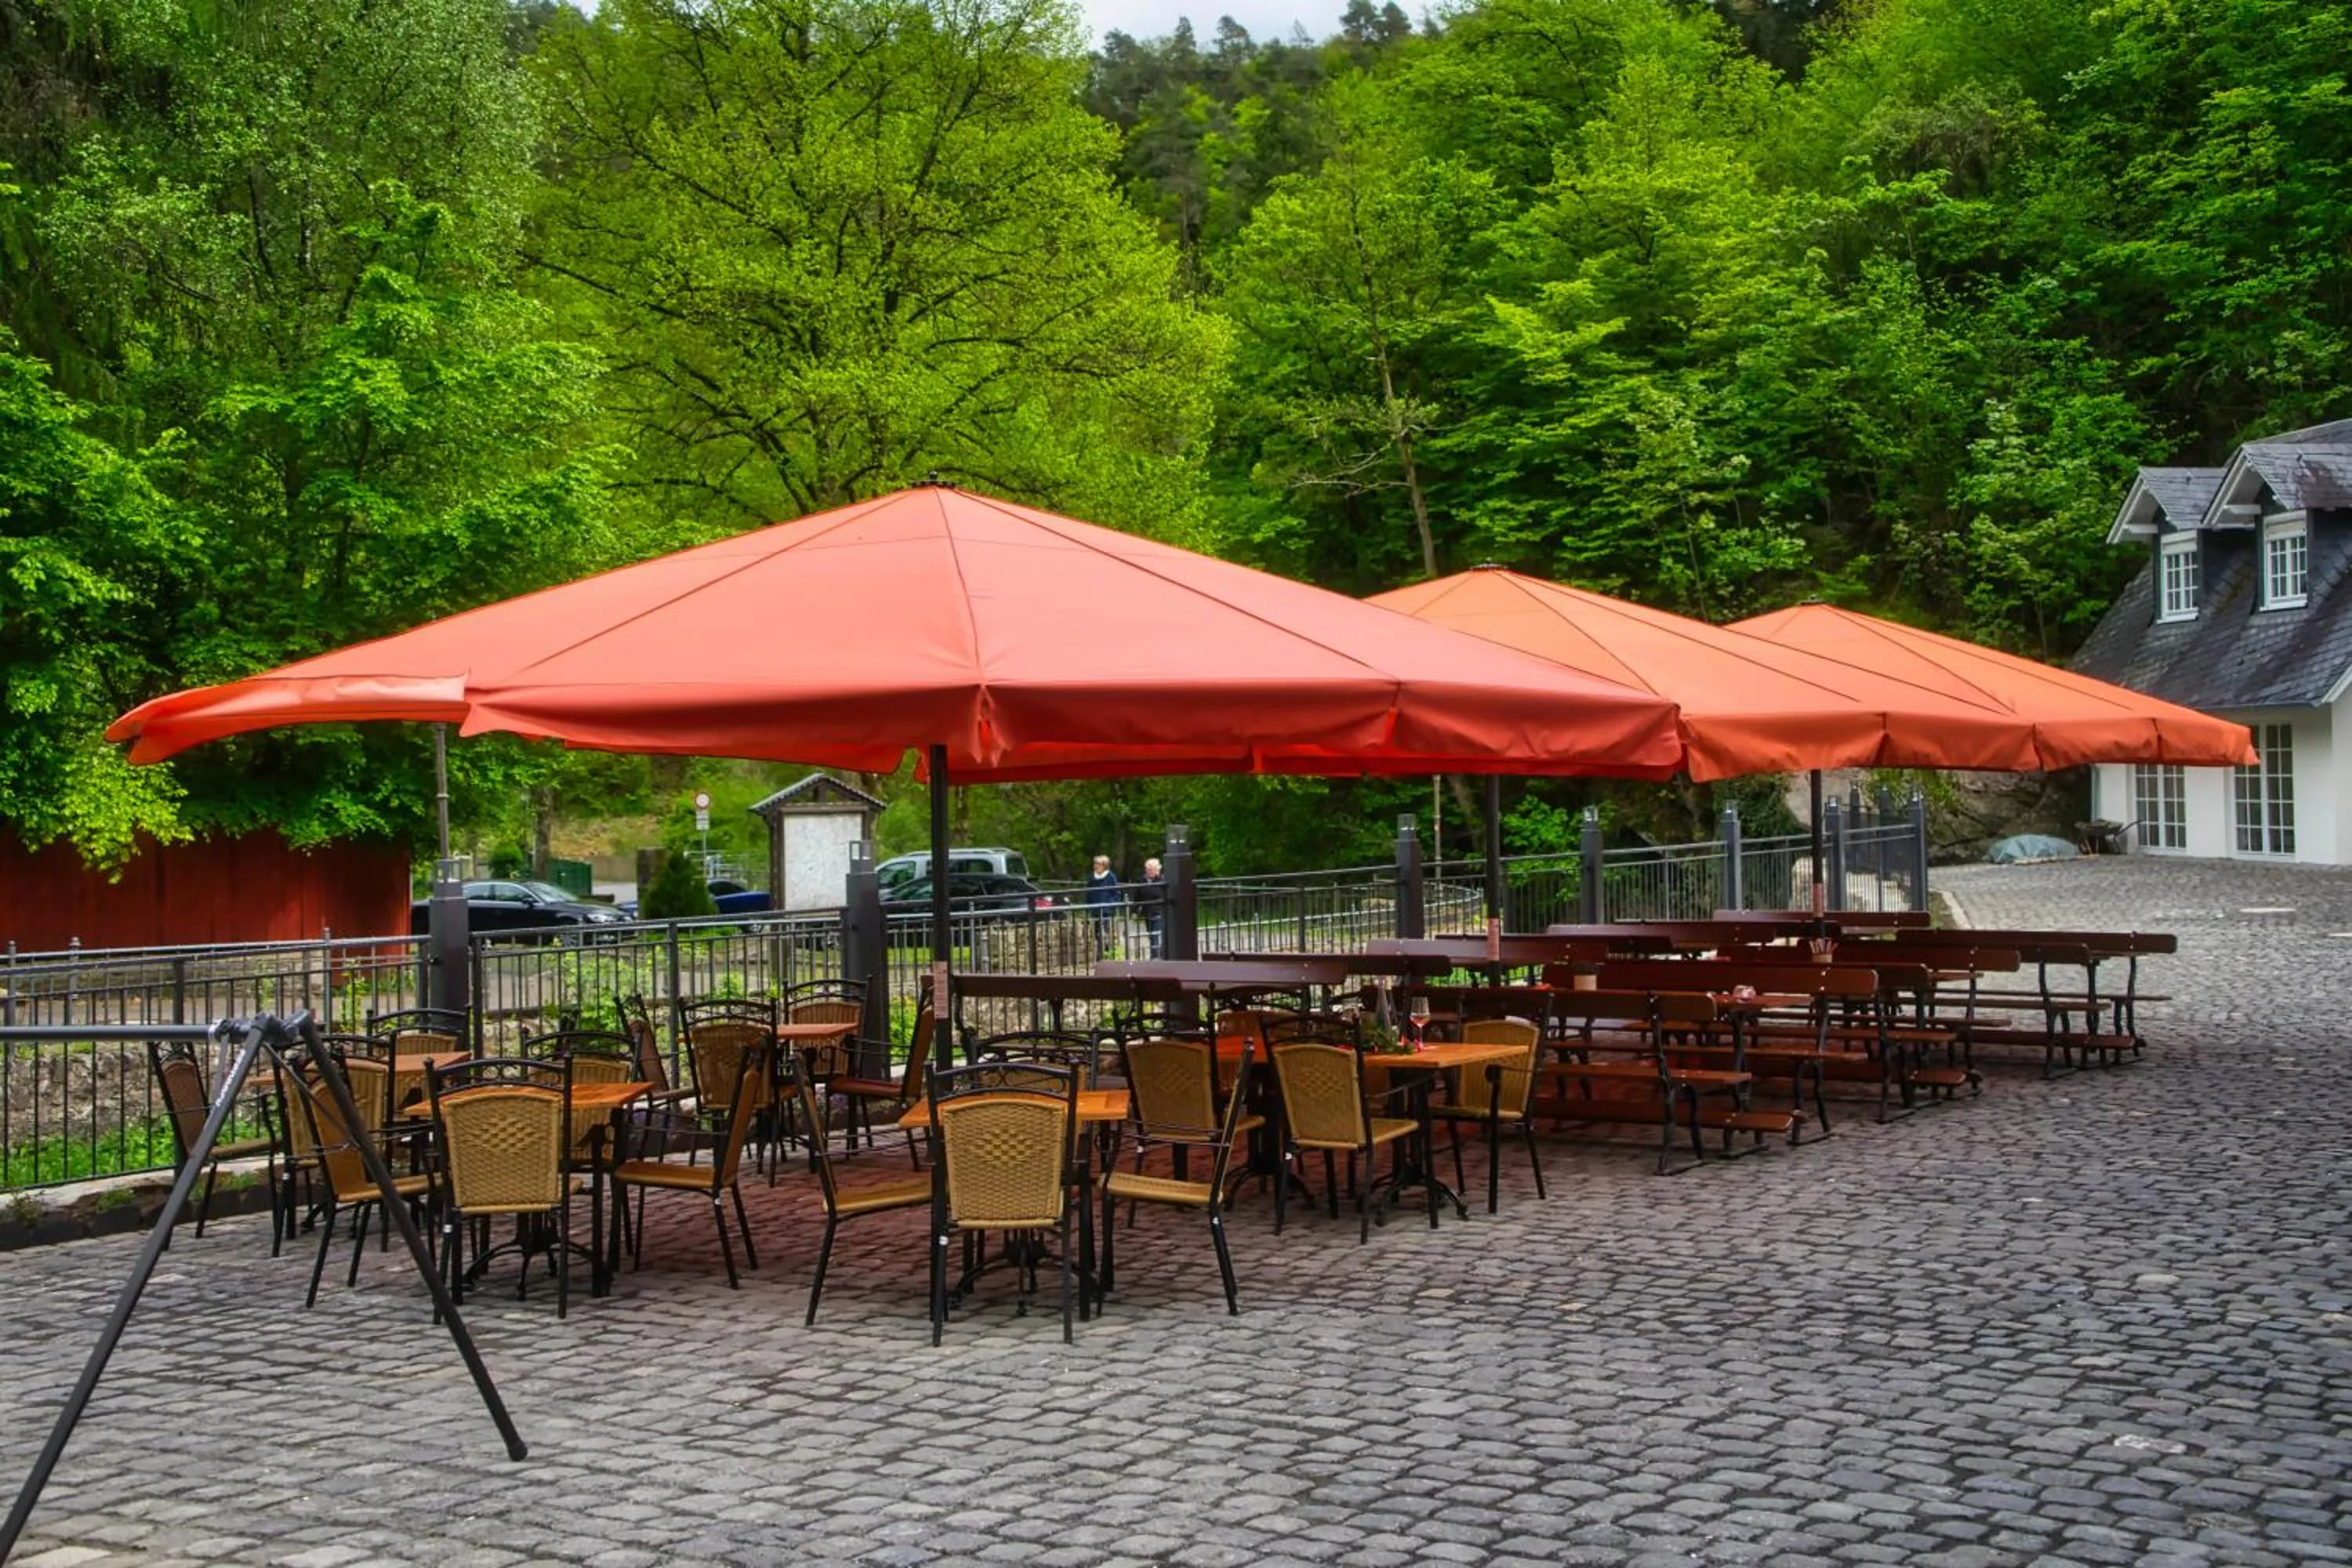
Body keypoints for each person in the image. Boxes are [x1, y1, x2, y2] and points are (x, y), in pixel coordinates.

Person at [1085, 855, 1120, 950]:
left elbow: (1116, 893)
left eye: (1098, 864)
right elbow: (1088, 893)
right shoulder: (1092, 877)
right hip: (1095, 909)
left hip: (1106, 910)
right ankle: (1101, 951)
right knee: (1096, 932)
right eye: (1095, 864)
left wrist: (1111, 904)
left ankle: (1106, 951)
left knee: (1105, 932)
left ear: (1104, 866)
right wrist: (1088, 906)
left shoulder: (1110, 877)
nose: (1096, 866)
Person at [1138, 856, 1167, 958]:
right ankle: (1157, 955)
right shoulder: (1142, 880)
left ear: (1157, 869)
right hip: (1147, 911)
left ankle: (1155, 957)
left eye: (1151, 869)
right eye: (1147, 869)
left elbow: (1163, 894)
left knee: (1155, 935)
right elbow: (1138, 895)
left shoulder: (1162, 880)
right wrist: (1134, 910)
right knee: (1151, 935)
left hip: (1158, 911)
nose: (1148, 871)